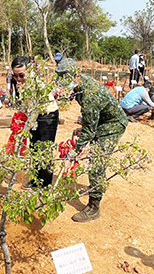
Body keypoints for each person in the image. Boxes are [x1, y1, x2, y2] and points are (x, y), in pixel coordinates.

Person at [56, 58, 128, 223]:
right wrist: (88, 126)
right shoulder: (81, 85)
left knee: (96, 162)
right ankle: (99, 186)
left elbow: (89, 131)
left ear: (76, 76)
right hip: (102, 122)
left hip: (113, 125)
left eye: (66, 80)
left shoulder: (90, 94)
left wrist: (72, 154)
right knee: (97, 160)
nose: (63, 84)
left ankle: (93, 208)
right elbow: (90, 120)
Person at [11, 56, 59, 189]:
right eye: (15, 76)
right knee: (34, 148)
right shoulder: (21, 84)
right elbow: (27, 108)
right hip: (34, 115)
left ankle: (45, 184)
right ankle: (36, 179)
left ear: (30, 71)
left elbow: (34, 111)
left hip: (47, 115)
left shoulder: (34, 85)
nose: (18, 79)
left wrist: (24, 131)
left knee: (45, 150)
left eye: (21, 75)